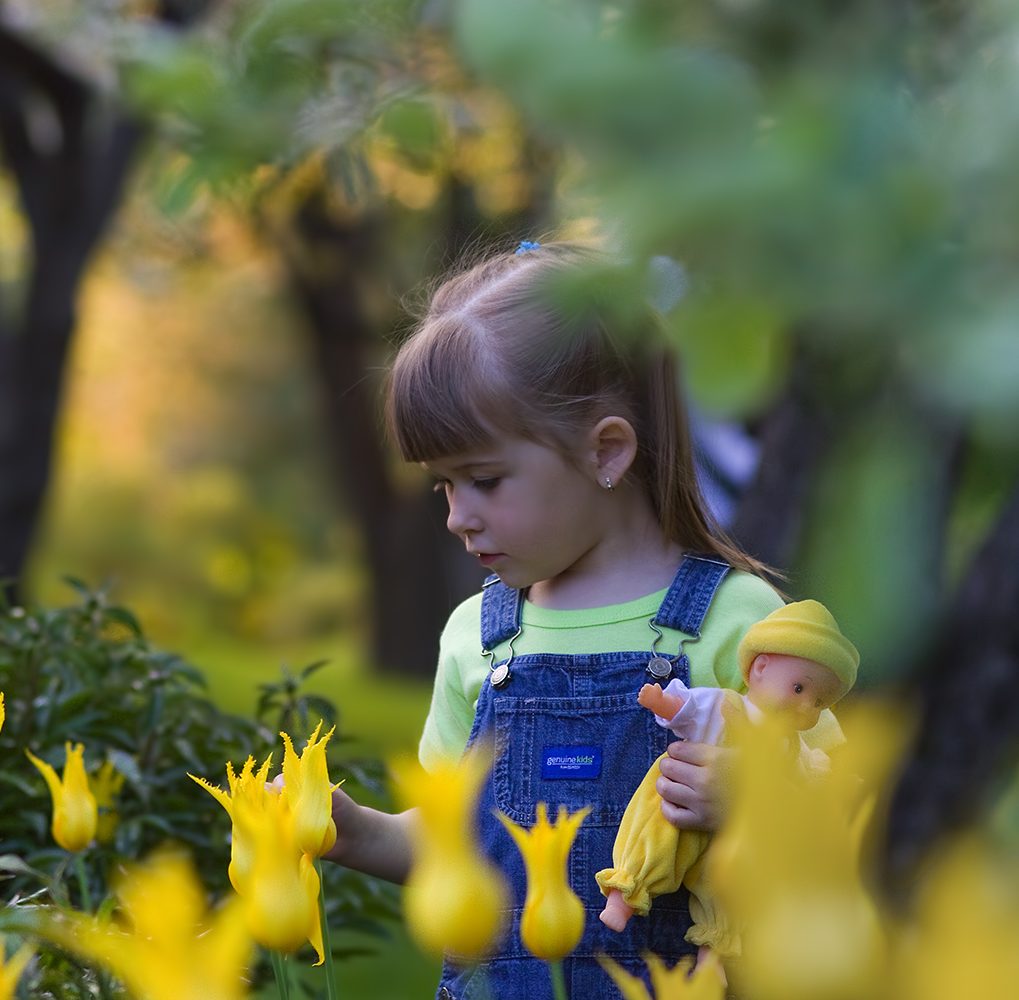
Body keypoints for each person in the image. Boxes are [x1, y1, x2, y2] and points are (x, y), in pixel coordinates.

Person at [314, 242, 844, 999]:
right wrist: (353, 832)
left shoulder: (740, 623)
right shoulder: (477, 636)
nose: (458, 518)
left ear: (606, 451)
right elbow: (454, 843)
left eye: (485, 479)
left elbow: (840, 826)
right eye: (444, 487)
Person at [596, 600, 859, 962]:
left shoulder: (791, 744)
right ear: (761, 669)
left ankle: (714, 947)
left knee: (730, 885)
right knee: (658, 826)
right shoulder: (727, 706)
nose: (806, 707)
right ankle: (628, 887)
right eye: (800, 690)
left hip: (736, 833)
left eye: (819, 704)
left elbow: (811, 776)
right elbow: (689, 710)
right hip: (680, 797)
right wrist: (663, 703)